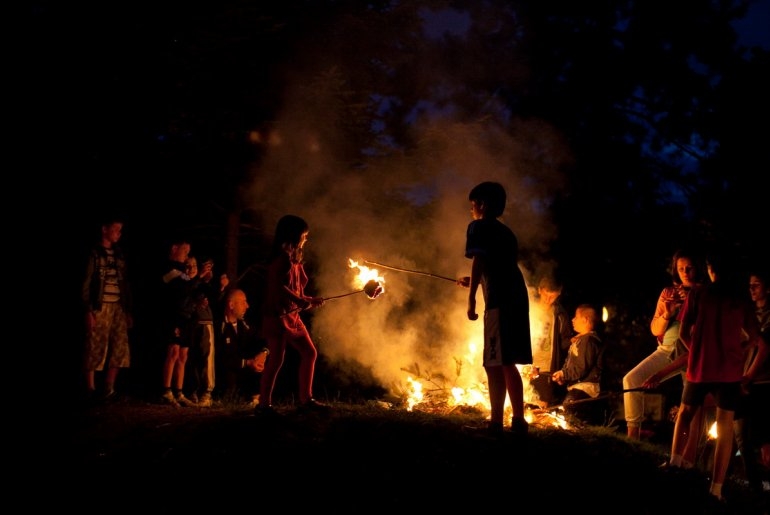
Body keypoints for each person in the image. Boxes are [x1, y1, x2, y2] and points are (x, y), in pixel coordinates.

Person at [664, 251, 767, 503]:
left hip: (701, 366)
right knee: (725, 426)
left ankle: (675, 462)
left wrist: (697, 349)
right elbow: (754, 338)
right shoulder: (739, 299)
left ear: (711, 269)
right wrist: (738, 351)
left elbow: (683, 333)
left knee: (686, 414)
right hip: (729, 371)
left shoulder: (698, 294)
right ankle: (717, 488)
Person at [459, 181, 532, 435]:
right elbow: (498, 265)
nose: (471, 211)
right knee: (507, 359)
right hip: (516, 295)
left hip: (499, 300)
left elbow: (479, 260)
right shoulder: (506, 232)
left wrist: (471, 298)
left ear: (482, 205)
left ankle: (496, 422)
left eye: (473, 205)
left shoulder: (478, 227)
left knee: (494, 361)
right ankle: (519, 420)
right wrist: (477, 281)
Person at [623, 249, 705, 440]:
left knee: (691, 403)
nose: (685, 272)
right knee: (631, 379)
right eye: (680, 268)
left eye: (689, 268)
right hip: (667, 350)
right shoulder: (668, 292)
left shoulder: (704, 294)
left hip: (693, 352)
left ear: (697, 268)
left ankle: (689, 454)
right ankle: (632, 436)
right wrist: (667, 314)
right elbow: (655, 330)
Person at [255, 214, 328, 415]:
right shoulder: (281, 258)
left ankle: (306, 399)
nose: (306, 239)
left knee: (309, 353)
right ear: (294, 235)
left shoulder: (294, 258)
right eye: (304, 235)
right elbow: (279, 286)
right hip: (277, 316)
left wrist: (309, 299)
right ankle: (264, 404)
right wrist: (300, 300)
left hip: (292, 316)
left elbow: (295, 289)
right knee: (276, 359)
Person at [81, 215, 133, 403]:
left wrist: (127, 310)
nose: (119, 233)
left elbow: (125, 283)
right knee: (95, 346)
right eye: (116, 229)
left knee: (120, 347)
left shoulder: (119, 254)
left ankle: (109, 389)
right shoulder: (94, 253)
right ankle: (90, 389)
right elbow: (86, 283)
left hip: (118, 305)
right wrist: (88, 310)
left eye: (120, 230)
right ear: (104, 229)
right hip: (100, 306)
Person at [732, 265, 770, 497]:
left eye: (756, 285)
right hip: (745, 381)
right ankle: (754, 487)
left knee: (765, 442)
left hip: (764, 382)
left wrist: (749, 376)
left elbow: (764, 347)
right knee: (741, 436)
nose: (752, 289)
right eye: (750, 286)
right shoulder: (747, 314)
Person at [185, 256, 229, 407]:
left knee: (206, 358)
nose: (191, 269)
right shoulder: (186, 283)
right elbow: (186, 295)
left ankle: (206, 392)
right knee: (191, 359)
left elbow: (215, 299)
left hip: (205, 323)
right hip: (190, 323)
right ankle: (191, 391)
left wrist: (222, 287)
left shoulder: (203, 285)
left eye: (194, 266)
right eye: (188, 266)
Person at [159, 237, 198, 407]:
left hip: (186, 318)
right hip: (174, 317)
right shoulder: (170, 269)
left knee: (183, 355)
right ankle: (166, 391)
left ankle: (179, 391)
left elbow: (190, 293)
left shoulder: (183, 272)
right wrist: (198, 278)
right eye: (184, 251)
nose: (186, 255)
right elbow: (179, 292)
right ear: (174, 248)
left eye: (188, 252)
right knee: (173, 352)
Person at [552, 304, 605, 425]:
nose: (572, 320)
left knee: (568, 420)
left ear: (585, 320)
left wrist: (564, 374)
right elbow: (574, 365)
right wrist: (564, 376)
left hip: (583, 390)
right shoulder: (581, 340)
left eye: (576, 317)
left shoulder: (588, 341)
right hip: (578, 388)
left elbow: (581, 367)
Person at [215, 288, 269, 405]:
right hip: (227, 375)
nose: (247, 306)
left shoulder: (245, 325)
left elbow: (263, 341)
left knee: (260, 359)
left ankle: (256, 397)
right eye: (243, 302)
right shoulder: (219, 327)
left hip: (245, 371)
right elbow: (221, 358)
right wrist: (248, 363)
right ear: (231, 305)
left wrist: (263, 354)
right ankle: (227, 397)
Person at [527, 275, 572, 408]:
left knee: (541, 407)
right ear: (540, 290)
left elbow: (563, 343)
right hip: (525, 366)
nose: (548, 299)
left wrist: (572, 341)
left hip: (546, 369)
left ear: (559, 293)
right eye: (546, 294)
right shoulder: (528, 308)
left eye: (552, 296)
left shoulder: (559, 315)